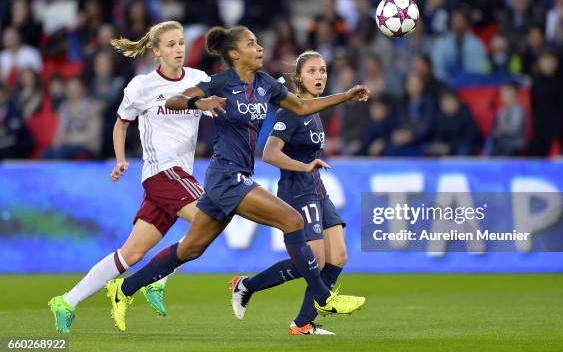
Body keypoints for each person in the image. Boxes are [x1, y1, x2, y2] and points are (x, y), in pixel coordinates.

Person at [105, 25, 369, 332]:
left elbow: (301, 106)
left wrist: (345, 97)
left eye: (258, 43)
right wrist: (199, 102)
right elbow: (173, 101)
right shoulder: (221, 82)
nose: (259, 48)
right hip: (226, 176)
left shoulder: (265, 83)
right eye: (251, 44)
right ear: (234, 54)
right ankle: (323, 298)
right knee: (292, 220)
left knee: (190, 249)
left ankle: (122, 290)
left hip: (236, 176)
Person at [48, 21, 222, 333]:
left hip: (178, 175)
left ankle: (67, 300)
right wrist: (119, 159)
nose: (178, 49)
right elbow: (121, 123)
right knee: (210, 219)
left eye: (181, 43)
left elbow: (218, 107)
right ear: (156, 52)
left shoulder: (198, 79)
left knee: (131, 254)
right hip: (162, 173)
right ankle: (158, 278)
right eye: (170, 44)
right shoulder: (142, 86)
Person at [227, 51, 348, 335]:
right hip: (297, 191)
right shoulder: (292, 111)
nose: (319, 76)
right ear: (299, 78)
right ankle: (247, 285)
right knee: (314, 262)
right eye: (312, 71)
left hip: (317, 187)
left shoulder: (313, 109)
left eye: (323, 70)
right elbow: (269, 153)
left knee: (338, 256)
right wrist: (304, 167)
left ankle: (303, 323)